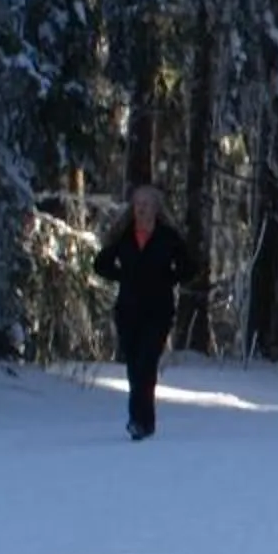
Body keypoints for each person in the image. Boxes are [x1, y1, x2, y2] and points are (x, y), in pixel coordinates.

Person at [93, 184, 194, 440]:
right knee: (134, 366)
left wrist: (168, 279)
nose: (141, 208)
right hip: (128, 310)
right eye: (137, 203)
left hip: (159, 310)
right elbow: (101, 264)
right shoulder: (123, 236)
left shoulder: (168, 237)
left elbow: (190, 267)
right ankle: (141, 420)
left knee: (147, 362)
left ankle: (140, 421)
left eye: (146, 203)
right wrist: (123, 276)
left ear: (156, 208)